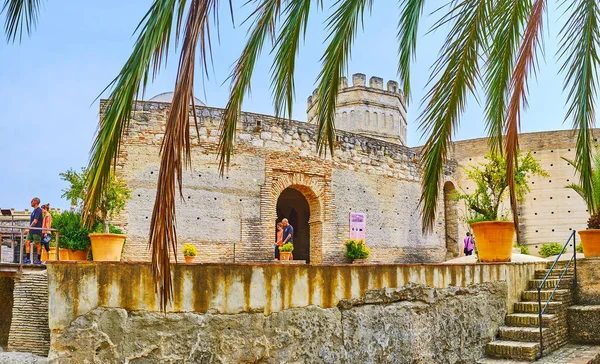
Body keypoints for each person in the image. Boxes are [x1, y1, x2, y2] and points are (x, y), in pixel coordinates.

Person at [23, 197, 43, 264]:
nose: (31, 202)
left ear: (36, 202)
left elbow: (35, 221)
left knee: (37, 244)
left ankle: (38, 259)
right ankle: (28, 259)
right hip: (31, 231)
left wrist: (28, 228)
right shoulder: (34, 211)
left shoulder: (38, 210)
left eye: (32, 201)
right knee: (27, 242)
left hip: (36, 230)